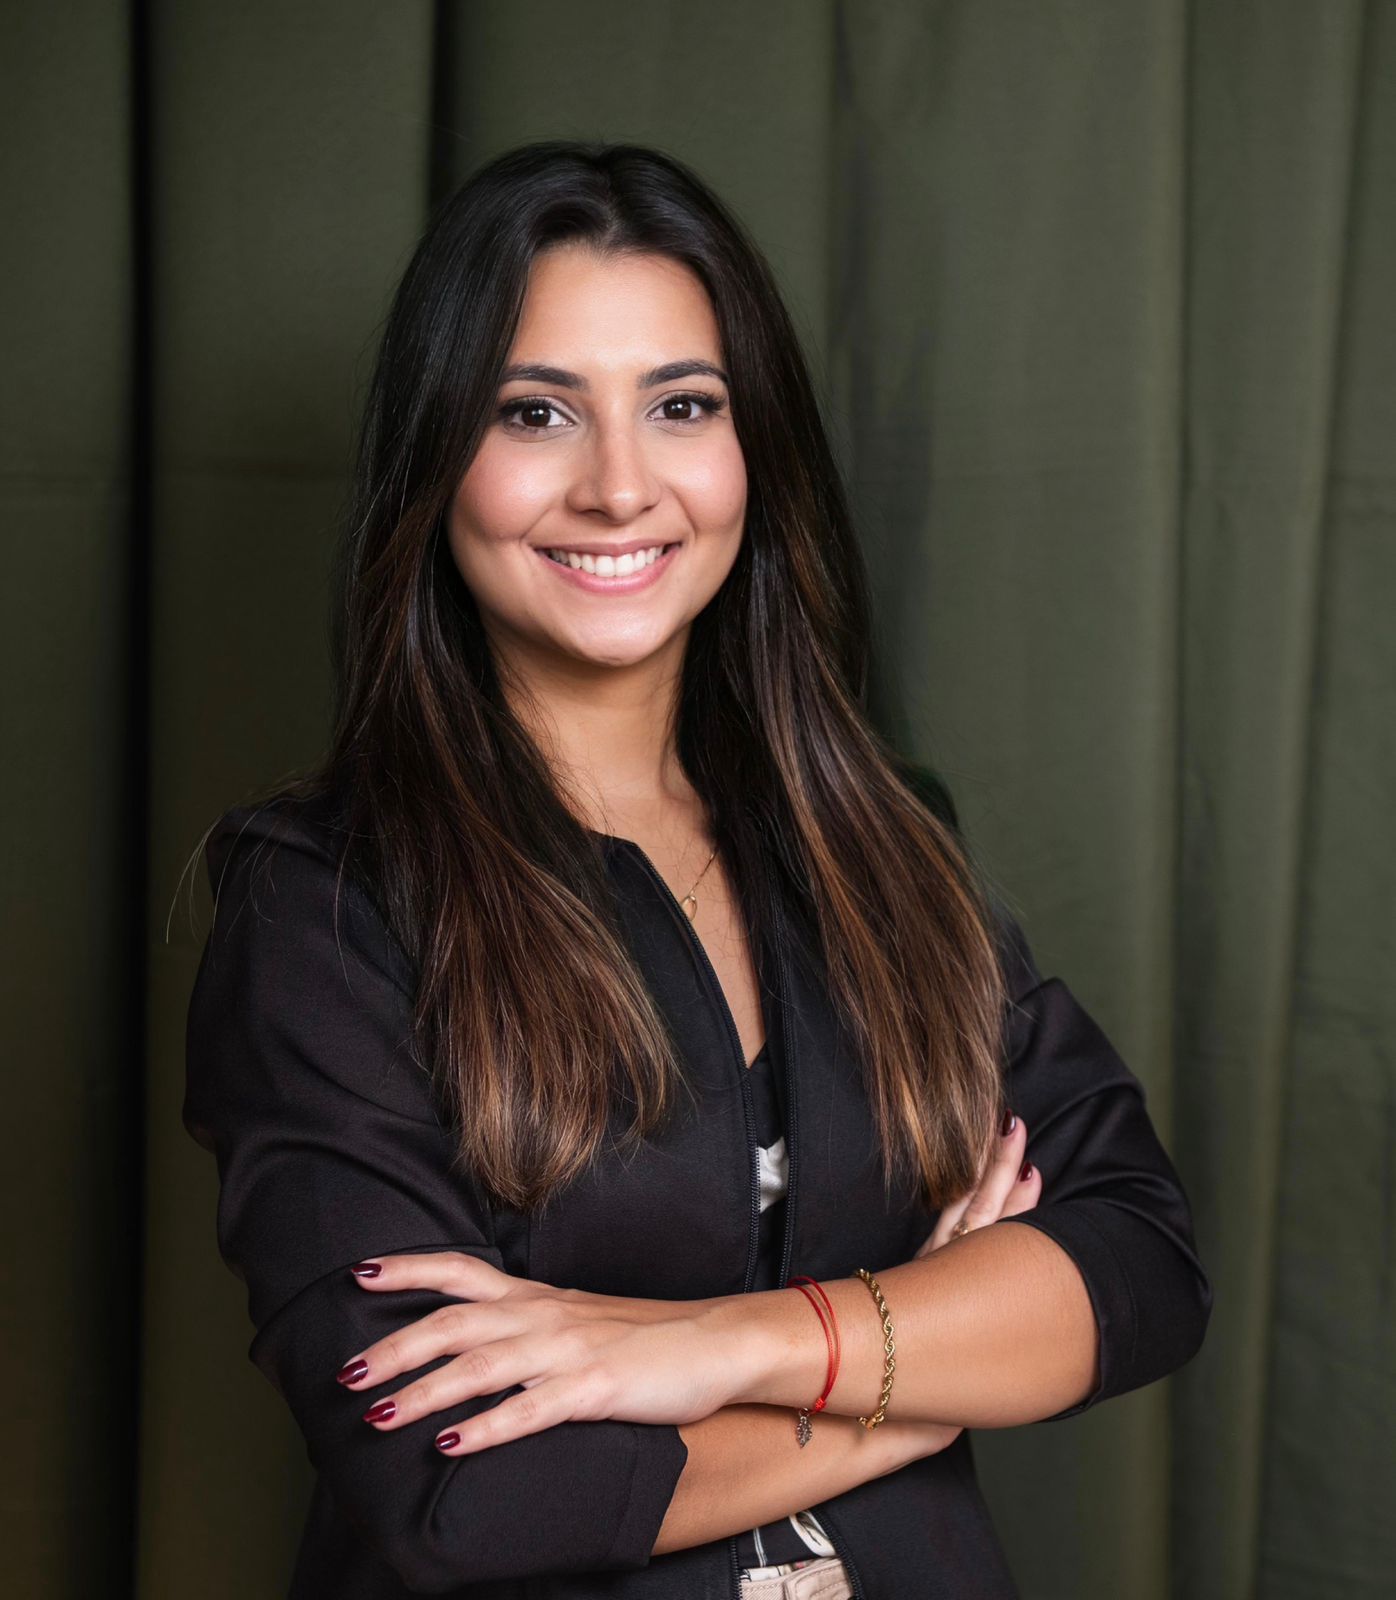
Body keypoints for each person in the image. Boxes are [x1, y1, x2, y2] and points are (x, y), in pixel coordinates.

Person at [182, 139, 1212, 1600]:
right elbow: (464, 1493)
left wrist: (714, 1346)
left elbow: (1137, 1262)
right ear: (435, 457)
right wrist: (929, 1360)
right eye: (535, 412)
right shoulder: (323, 906)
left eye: (682, 405)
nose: (620, 487)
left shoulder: (883, 847)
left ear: (753, 451)